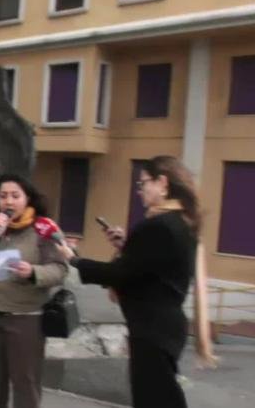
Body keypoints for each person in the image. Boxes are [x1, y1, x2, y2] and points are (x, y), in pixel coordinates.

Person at [57, 156, 199, 408]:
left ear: (162, 183)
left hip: (152, 328)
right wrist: (125, 246)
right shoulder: (181, 223)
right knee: (161, 395)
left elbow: (120, 274)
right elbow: (148, 267)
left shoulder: (157, 225)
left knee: (154, 398)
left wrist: (75, 260)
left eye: (143, 183)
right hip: (165, 326)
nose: (140, 191)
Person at [0, 174, 68, 408]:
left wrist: (33, 272)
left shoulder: (43, 228)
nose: (8, 202)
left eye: (15, 196)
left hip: (26, 317)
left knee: (25, 383)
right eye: (3, 196)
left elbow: (60, 269)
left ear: (27, 198)